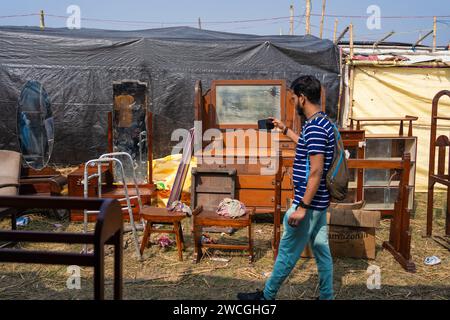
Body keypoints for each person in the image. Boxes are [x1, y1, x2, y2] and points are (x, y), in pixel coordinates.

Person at [237, 75, 335, 300]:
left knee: (286, 253)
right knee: (322, 251)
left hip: (308, 204)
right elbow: (307, 145)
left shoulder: (316, 128)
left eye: (293, 99)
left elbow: (316, 171)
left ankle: (266, 297)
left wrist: (301, 207)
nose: (293, 103)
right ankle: (327, 296)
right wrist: (284, 129)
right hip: (319, 204)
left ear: (302, 98)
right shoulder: (322, 123)